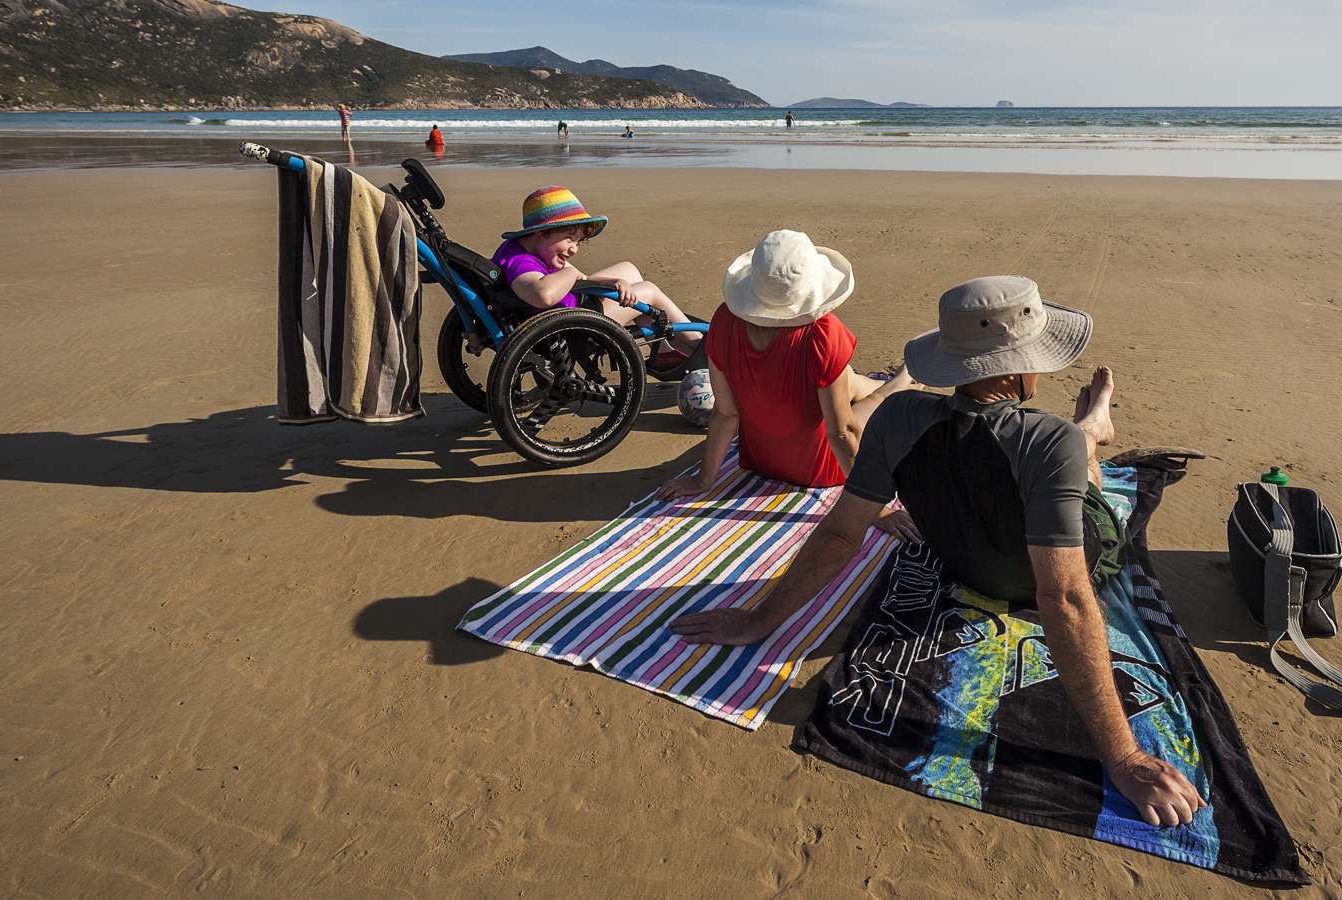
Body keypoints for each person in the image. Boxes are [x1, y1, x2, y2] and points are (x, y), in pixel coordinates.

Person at [669, 275, 1207, 829]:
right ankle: (1094, 427)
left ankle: (1092, 427)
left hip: (962, 563)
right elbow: (1065, 597)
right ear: (1018, 369)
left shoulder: (898, 417)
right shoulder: (1049, 440)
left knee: (1063, 460)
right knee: (1084, 473)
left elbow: (839, 535)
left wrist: (758, 621)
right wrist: (1124, 756)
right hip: (1046, 563)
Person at [655, 231, 918, 536]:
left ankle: (882, 380)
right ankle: (906, 376)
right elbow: (841, 432)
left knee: (847, 380)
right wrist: (877, 510)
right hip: (820, 468)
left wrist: (704, 481)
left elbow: (725, 413)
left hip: (762, 459)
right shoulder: (822, 333)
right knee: (874, 401)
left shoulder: (724, 321)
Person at [490, 186, 702, 365]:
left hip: (573, 308)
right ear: (540, 232)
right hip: (574, 326)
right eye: (569, 238)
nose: (574, 249)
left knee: (627, 270)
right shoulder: (520, 261)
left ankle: (662, 348)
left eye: (578, 242)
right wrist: (570, 272)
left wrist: (613, 282)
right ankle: (698, 345)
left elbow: (581, 278)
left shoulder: (529, 249)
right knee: (648, 291)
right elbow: (542, 296)